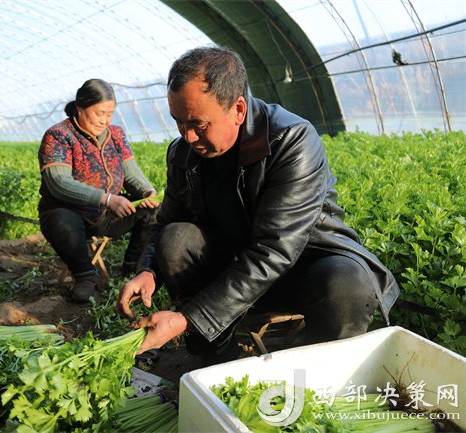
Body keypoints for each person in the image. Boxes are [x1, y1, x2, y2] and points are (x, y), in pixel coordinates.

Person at [117, 46, 400, 365]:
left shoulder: (290, 140)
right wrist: (148, 271)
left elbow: (275, 249)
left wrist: (186, 318)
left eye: (199, 124)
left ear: (238, 109)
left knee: (347, 283)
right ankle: (215, 355)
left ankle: (322, 370)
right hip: (234, 266)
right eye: (179, 122)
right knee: (176, 238)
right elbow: (166, 221)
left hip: (302, 268)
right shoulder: (183, 153)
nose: (188, 136)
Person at [38, 78, 159, 303]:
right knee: (60, 219)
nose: (104, 120)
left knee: (152, 211)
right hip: (69, 216)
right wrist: (106, 198)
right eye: (99, 113)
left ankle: (132, 268)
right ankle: (85, 276)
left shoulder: (116, 135)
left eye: (109, 114)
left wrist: (147, 191)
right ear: (80, 108)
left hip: (105, 216)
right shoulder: (59, 135)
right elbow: (58, 182)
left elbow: (131, 172)